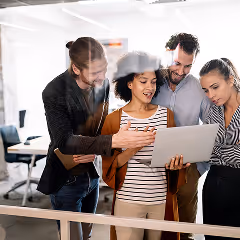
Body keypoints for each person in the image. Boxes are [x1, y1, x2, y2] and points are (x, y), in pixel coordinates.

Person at [37, 37, 155, 240]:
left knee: (88, 235)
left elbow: (99, 127)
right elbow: (64, 140)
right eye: (95, 72)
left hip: (91, 175)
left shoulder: (103, 84)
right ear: (76, 68)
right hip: (66, 179)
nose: (102, 77)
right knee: (73, 238)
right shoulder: (53, 91)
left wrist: (96, 148)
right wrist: (113, 142)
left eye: (104, 69)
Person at [101, 52, 189, 240]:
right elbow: (109, 166)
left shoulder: (167, 116)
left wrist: (176, 164)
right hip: (128, 202)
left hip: (160, 202)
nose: (150, 87)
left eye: (153, 81)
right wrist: (133, 148)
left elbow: (172, 159)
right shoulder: (113, 120)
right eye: (143, 81)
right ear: (129, 83)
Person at [152, 33, 211, 240]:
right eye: (177, 63)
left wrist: (199, 167)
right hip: (153, 168)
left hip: (187, 169)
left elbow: (211, 128)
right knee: (155, 228)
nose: (181, 71)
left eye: (188, 66)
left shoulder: (199, 89)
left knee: (184, 229)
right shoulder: (151, 82)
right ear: (167, 54)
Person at [200, 58, 240, 240]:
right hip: (214, 185)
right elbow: (209, 153)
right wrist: (233, 149)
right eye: (206, 90)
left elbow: (215, 151)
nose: (210, 95)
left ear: (230, 80)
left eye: (215, 87)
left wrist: (218, 151)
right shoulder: (212, 112)